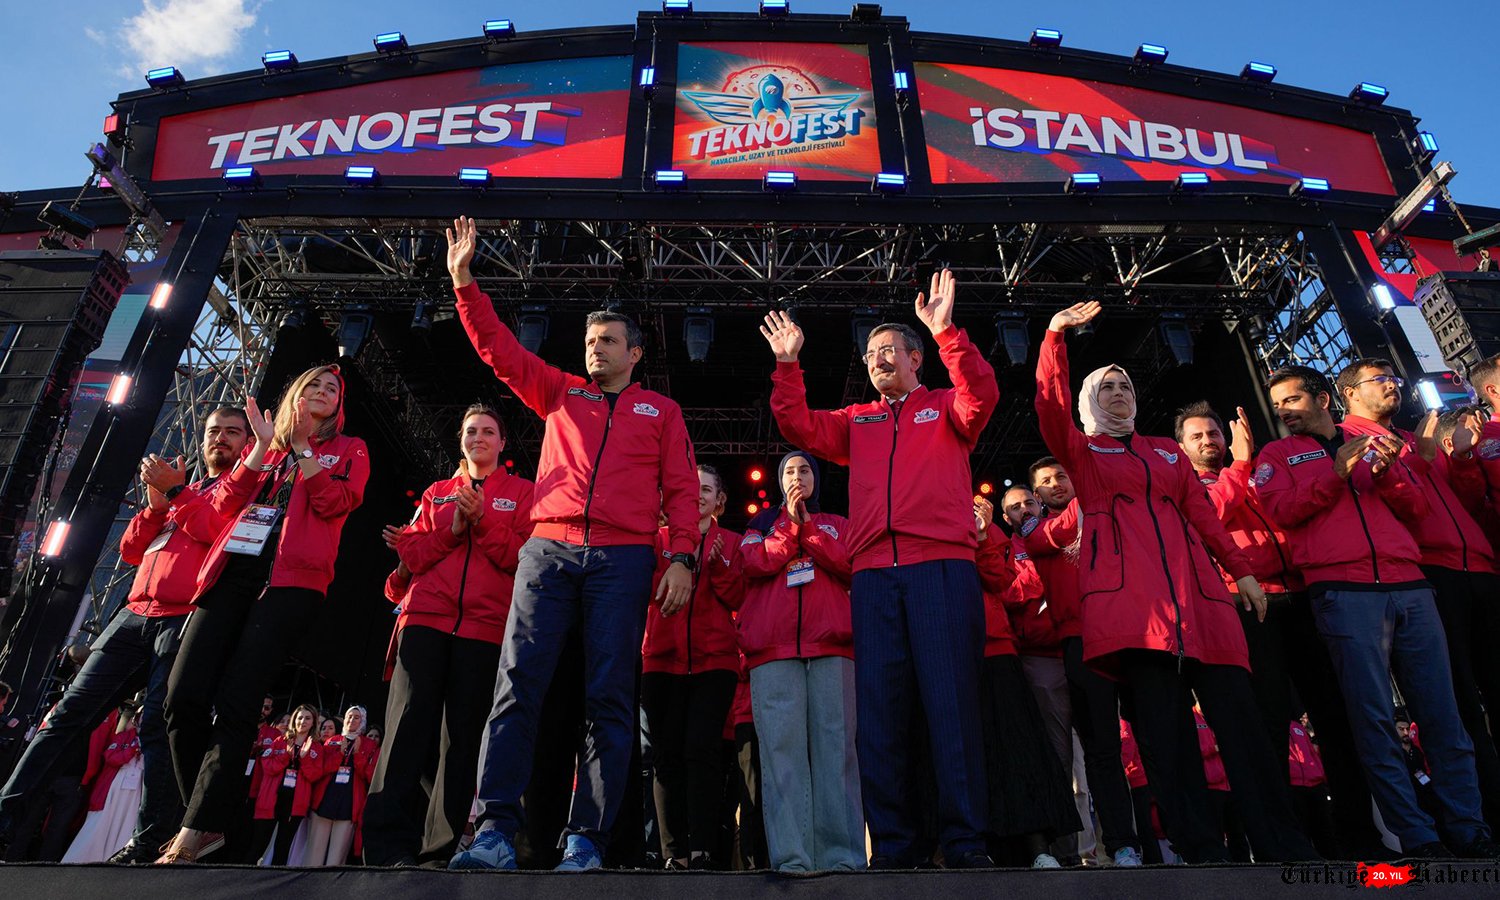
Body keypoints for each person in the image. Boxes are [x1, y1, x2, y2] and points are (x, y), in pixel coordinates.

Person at [443, 216, 699, 872]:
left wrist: (681, 558)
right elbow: (499, 350)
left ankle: (587, 840)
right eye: (589, 340)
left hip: (625, 558)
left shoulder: (660, 413)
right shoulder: (560, 394)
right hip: (548, 552)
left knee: (609, 696)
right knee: (517, 686)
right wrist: (464, 281)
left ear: (634, 352)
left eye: (608, 341)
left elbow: (680, 492)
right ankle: (494, 829)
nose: (595, 349)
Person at [1038, 301, 1314, 863]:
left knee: (1246, 732)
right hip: (1133, 616)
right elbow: (1050, 409)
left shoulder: (1165, 452)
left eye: (1125, 386)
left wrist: (1242, 572)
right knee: (1167, 740)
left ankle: (1282, 844)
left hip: (1204, 604)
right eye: (1107, 387)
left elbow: (1204, 515)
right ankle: (1202, 848)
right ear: (1092, 399)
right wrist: (1054, 339)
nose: (1118, 393)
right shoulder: (1083, 453)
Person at [762, 270, 1000, 869]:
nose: (877, 361)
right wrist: (788, 365)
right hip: (872, 578)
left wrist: (948, 333)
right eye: (869, 354)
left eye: (889, 350)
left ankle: (966, 841)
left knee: (950, 707)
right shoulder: (858, 419)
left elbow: (983, 395)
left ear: (916, 357)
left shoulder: (946, 407)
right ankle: (895, 845)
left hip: (939, 569)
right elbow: (798, 426)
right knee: (882, 715)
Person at [1256, 364, 1498, 859]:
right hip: (1340, 592)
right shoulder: (1276, 454)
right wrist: (1336, 472)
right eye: (1277, 404)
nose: (1283, 411)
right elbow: (1280, 512)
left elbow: (1417, 512)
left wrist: (1388, 477)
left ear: (1324, 399)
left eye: (1291, 400)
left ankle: (1470, 827)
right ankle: (1418, 836)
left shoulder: (1372, 438)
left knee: (1443, 716)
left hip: (1410, 584)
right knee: (1375, 722)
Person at [0, 408, 249, 864]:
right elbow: (132, 550)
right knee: (66, 714)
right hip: (133, 613)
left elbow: (217, 533)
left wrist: (175, 493)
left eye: (232, 433)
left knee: (156, 726)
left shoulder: (244, 487)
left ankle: (150, 840)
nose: (220, 439)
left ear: (247, 441)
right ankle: (4, 816)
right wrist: (156, 505)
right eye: (213, 431)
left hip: (183, 616)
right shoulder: (185, 488)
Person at [161, 365, 369, 864]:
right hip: (230, 574)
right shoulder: (266, 447)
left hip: (290, 585)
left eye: (333, 388)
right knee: (181, 697)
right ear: (296, 392)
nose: (323, 391)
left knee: (237, 702)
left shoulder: (350, 448)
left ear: (339, 404)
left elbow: (338, 502)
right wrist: (260, 448)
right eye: (315, 384)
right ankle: (213, 818)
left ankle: (196, 827)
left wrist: (304, 450)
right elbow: (223, 508)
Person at [1176, 400, 1385, 858]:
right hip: (1249, 606)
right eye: (1199, 436)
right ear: (1181, 447)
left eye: (1215, 433)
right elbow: (1210, 518)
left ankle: (1359, 837)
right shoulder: (1190, 485)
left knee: (1334, 717)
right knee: (1268, 725)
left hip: (1303, 596)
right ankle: (1282, 844)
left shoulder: (1256, 474)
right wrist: (1242, 460)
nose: (1211, 441)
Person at [363, 405, 535, 867]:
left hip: (484, 630)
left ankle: (439, 851)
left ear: (503, 444)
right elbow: (413, 554)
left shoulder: (524, 495)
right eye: (470, 431)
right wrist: (456, 530)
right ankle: (383, 849)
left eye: (488, 431)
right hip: (424, 622)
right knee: (403, 734)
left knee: (461, 743)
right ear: (461, 440)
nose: (478, 437)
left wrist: (482, 520)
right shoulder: (437, 493)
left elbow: (523, 560)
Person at [1341, 358, 1500, 823]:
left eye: (1394, 378)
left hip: (1479, 565)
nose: (1393, 386)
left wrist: (1463, 459)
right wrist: (1412, 465)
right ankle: (1482, 814)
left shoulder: (1415, 438)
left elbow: (1465, 498)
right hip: (1428, 573)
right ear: (1349, 392)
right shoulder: (1347, 438)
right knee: (1458, 706)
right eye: (1380, 380)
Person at [736, 451, 862, 872]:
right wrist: (791, 525)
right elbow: (754, 563)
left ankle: (842, 858)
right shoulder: (757, 527)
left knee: (836, 752)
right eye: (789, 471)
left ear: (816, 478)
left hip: (833, 648)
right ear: (778, 481)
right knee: (781, 758)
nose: (797, 476)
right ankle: (793, 858)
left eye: (804, 469)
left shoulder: (839, 524)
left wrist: (807, 528)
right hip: (772, 653)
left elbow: (848, 564)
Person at [1017, 458, 1142, 866]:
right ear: (1036, 496)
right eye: (1046, 482)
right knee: (1084, 754)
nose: (1056, 484)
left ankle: (1146, 843)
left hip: (1126, 636)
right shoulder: (1034, 533)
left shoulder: (1104, 514)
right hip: (1073, 644)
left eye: (1062, 476)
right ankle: (1088, 850)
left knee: (1128, 748)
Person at [640, 464, 744, 870]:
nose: (697, 495)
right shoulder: (656, 540)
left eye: (706, 490)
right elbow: (644, 593)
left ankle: (702, 850)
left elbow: (739, 596)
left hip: (714, 663)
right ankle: (674, 854)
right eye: (690, 488)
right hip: (661, 661)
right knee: (665, 758)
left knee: (702, 753)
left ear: (719, 499)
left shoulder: (732, 542)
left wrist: (716, 566)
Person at [972, 496, 1081, 867]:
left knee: (1020, 749)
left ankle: (1039, 849)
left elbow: (1000, 583)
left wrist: (983, 537)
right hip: (949, 652)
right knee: (969, 752)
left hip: (998, 649)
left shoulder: (993, 534)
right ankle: (974, 847)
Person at [251, 705, 328, 865]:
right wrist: (286, 755)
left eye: (307, 718)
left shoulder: (317, 748)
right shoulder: (280, 741)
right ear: (294, 720)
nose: (303, 721)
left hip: (295, 804)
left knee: (282, 848)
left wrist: (305, 757)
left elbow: (314, 775)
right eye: (299, 717)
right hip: (271, 800)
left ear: (313, 722)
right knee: (257, 846)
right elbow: (268, 768)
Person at [63, 707, 143, 863]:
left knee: (125, 829)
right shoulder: (123, 737)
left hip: (133, 796)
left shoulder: (153, 745)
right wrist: (132, 750)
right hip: (112, 791)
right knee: (98, 827)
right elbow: (111, 757)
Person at [306, 706, 378, 867]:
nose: (352, 720)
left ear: (363, 721)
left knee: (336, 858)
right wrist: (340, 753)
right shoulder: (333, 740)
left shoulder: (369, 744)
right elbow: (322, 769)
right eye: (349, 716)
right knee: (313, 854)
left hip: (349, 804)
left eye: (356, 717)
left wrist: (358, 754)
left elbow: (370, 776)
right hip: (325, 801)